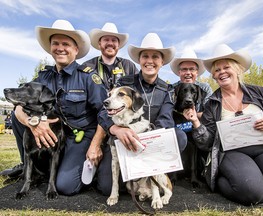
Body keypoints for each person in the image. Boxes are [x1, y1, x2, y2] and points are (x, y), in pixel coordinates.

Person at [0, 19, 108, 196]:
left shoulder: (88, 77)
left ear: (76, 50)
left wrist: (95, 144)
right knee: (18, 118)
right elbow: (20, 104)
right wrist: (31, 122)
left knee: (65, 186)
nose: (60, 48)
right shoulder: (43, 77)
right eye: (55, 43)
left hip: (79, 137)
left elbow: (105, 112)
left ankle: (91, 169)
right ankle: (28, 167)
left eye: (66, 44)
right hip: (54, 133)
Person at [183, 44, 263, 205]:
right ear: (214, 76)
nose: (222, 72)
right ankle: (220, 180)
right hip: (232, 154)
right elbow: (207, 143)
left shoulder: (261, 93)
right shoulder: (212, 104)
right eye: (217, 70)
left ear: (238, 70)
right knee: (253, 194)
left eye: (226, 67)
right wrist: (196, 123)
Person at [96, 33, 188, 196]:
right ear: (139, 60)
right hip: (122, 140)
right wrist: (116, 129)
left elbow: (166, 120)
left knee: (180, 136)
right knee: (105, 187)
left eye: (155, 57)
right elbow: (103, 112)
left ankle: (157, 172)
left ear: (162, 62)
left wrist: (148, 141)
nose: (150, 61)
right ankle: (134, 175)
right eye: (145, 56)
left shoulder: (166, 90)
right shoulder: (124, 83)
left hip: (150, 141)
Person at [83, 22, 138, 90]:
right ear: (99, 43)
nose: (110, 43)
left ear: (118, 44)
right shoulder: (87, 66)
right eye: (106, 39)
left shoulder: (129, 66)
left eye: (114, 40)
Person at [170, 49, 212, 118]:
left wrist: (192, 115)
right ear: (179, 72)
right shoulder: (171, 89)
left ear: (197, 72)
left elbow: (210, 114)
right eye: (184, 69)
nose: (188, 73)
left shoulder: (205, 88)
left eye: (192, 69)